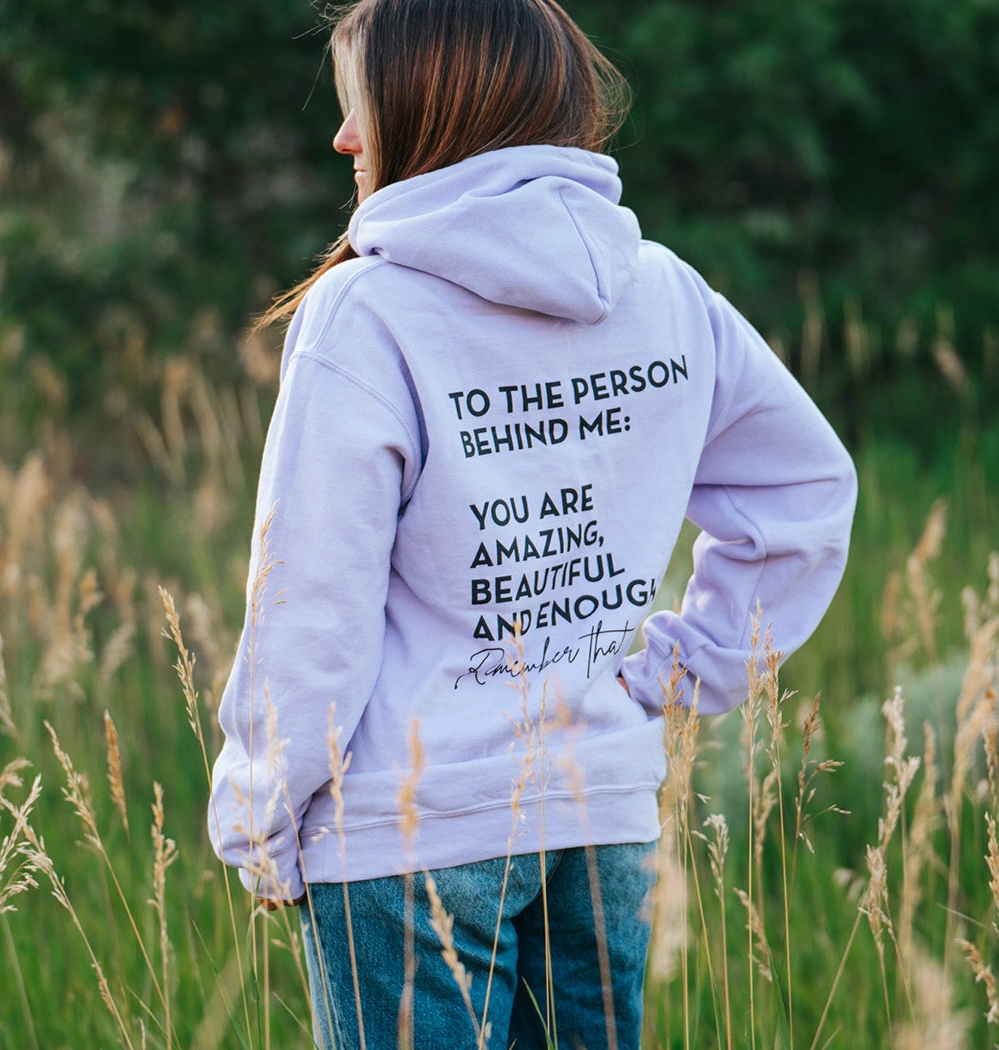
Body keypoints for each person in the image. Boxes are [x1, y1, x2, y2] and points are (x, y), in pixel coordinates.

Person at [207, 0, 857, 1046]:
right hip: (600, 812)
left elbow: (312, 602)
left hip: (404, 837)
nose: (343, 140)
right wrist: (682, 675)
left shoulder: (364, 314)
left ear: (429, 110)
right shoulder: (665, 294)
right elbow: (808, 495)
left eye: (358, 108)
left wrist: (257, 819)